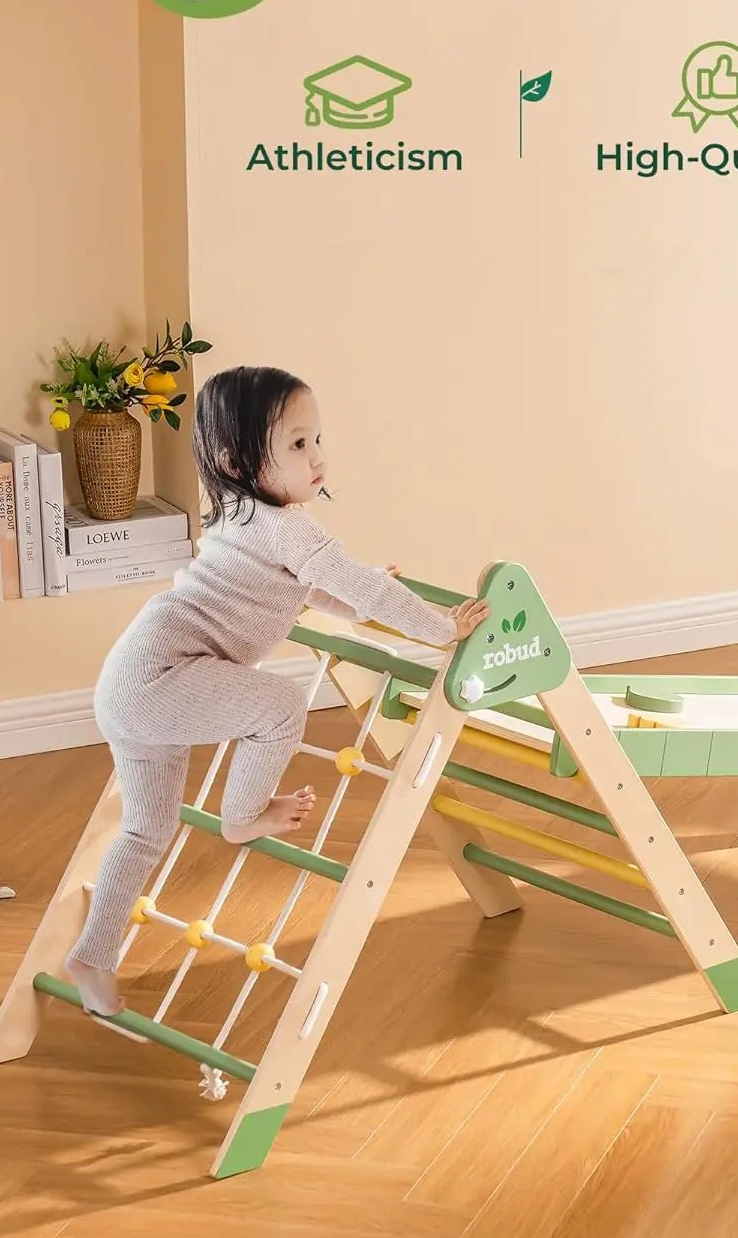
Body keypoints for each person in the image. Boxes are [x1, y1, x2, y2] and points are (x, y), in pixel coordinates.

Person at [64, 365, 487, 1015]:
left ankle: (91, 957)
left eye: (317, 440)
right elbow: (358, 588)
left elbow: (312, 591)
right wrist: (440, 629)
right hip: (162, 677)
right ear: (237, 458)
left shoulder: (241, 518)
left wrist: (359, 592)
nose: (317, 458)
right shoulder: (291, 529)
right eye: (296, 445)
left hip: (130, 684)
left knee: (146, 832)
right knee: (281, 705)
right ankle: (242, 816)